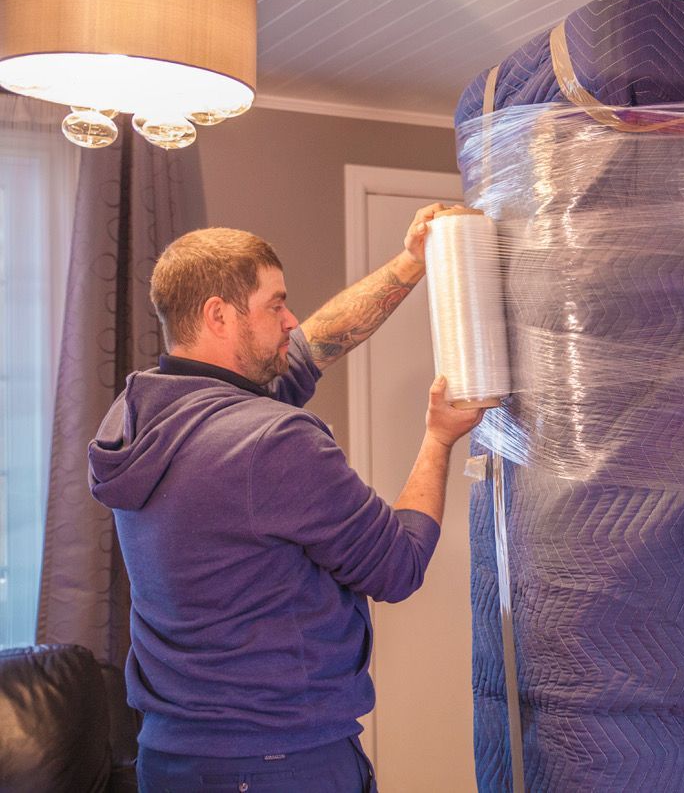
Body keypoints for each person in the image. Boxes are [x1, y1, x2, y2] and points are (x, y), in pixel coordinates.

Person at [87, 203, 483, 792]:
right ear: (218, 315)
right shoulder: (272, 441)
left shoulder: (137, 419)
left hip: (172, 757)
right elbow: (398, 566)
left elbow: (312, 344)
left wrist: (410, 263)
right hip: (278, 761)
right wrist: (439, 436)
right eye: (275, 304)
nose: (292, 320)